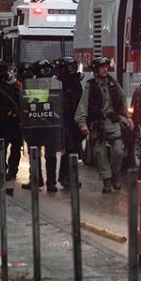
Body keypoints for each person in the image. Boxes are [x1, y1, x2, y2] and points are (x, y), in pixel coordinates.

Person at [75, 57, 134, 193]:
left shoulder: (113, 83)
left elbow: (123, 99)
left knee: (118, 150)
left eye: (106, 67)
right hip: (98, 124)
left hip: (113, 122)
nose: (105, 69)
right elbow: (82, 106)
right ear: (96, 69)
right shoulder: (90, 86)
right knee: (100, 153)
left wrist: (128, 117)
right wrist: (82, 124)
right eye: (102, 67)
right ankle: (106, 180)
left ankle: (114, 174)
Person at [21, 59, 61, 192]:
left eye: (48, 69)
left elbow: (59, 102)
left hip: (50, 124)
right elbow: (25, 104)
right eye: (44, 70)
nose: (47, 72)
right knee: (35, 153)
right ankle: (36, 179)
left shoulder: (55, 84)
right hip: (35, 125)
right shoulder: (29, 85)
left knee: (50, 154)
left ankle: (51, 183)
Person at [0, 59, 22, 183]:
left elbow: (19, 99)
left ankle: (12, 171)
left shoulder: (12, 85)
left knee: (14, 147)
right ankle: (2, 171)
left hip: (13, 120)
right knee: (2, 147)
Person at [55, 56, 84, 189]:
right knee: (69, 147)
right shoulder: (58, 83)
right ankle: (65, 177)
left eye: (73, 66)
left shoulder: (76, 82)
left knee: (75, 148)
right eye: (69, 67)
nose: (72, 70)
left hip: (75, 119)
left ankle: (70, 176)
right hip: (63, 120)